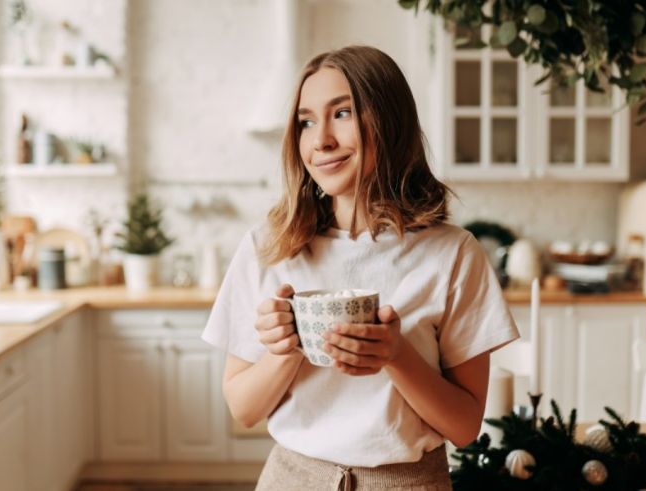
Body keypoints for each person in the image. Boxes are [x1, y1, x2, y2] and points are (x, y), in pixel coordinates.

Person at [202, 45, 519, 490]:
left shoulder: (453, 255)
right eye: (306, 122)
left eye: (343, 113)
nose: (321, 140)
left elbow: (465, 427)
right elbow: (244, 408)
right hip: (291, 479)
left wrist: (397, 355)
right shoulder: (269, 247)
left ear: (390, 121)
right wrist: (285, 349)